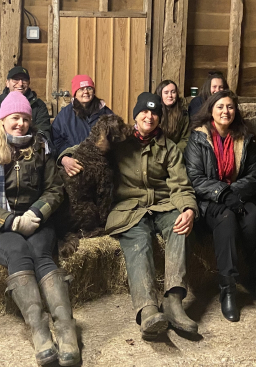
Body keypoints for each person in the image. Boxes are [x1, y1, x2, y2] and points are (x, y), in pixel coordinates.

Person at [65, 93, 199, 340]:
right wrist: (65, 156)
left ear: (160, 117)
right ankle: (147, 309)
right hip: (128, 208)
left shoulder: (168, 147)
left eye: (155, 113)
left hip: (162, 204)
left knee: (179, 227)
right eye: (144, 112)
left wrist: (188, 209)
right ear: (136, 115)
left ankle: (174, 300)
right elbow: (89, 146)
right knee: (139, 241)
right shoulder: (120, 139)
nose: (149, 116)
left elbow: (180, 185)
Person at [0, 91, 78, 366]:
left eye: (26, 119)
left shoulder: (40, 147)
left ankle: (66, 329)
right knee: (19, 253)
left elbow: (55, 190)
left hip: (36, 218)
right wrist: (12, 222)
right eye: (15, 118)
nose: (21, 124)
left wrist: (36, 212)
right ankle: (39, 330)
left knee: (42, 254)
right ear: (3, 119)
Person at [184, 90, 256, 322]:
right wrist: (222, 193)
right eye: (220, 107)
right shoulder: (198, 139)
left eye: (230, 107)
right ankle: (227, 289)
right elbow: (196, 178)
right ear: (211, 110)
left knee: (254, 218)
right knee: (226, 219)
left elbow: (254, 175)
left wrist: (233, 193)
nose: (225, 111)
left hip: (238, 197)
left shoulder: (245, 138)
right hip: (210, 202)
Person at [53, 74, 113, 177]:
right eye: (81, 89)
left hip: (102, 166)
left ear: (93, 91)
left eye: (89, 88)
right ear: (75, 93)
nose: (86, 92)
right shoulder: (64, 116)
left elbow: (116, 136)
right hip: (74, 167)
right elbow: (56, 140)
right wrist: (64, 158)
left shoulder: (106, 113)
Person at [0, 66, 51, 134]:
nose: (20, 84)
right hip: (3, 143)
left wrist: (27, 141)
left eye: (24, 80)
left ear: (29, 83)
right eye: (16, 79)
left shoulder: (38, 105)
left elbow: (44, 131)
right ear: (7, 83)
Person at [155, 79, 191, 151]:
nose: (170, 95)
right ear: (160, 94)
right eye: (166, 92)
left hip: (175, 152)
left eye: (173, 92)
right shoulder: (154, 112)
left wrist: (174, 152)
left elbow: (185, 138)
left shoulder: (183, 113)